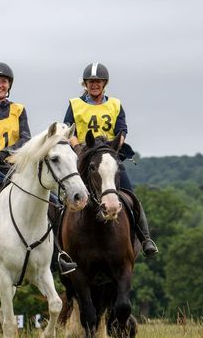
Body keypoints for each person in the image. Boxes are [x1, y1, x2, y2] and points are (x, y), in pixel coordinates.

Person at [0, 63, 77, 275]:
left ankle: (59, 254)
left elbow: (25, 139)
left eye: (4, 81)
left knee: (52, 202)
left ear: (9, 85)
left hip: (14, 169)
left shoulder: (18, 110)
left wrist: (7, 151)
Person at [62, 62, 159, 258]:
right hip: (85, 157)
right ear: (85, 84)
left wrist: (113, 147)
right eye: (91, 82)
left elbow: (122, 130)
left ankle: (145, 237)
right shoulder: (75, 104)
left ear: (104, 83)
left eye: (98, 82)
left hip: (108, 157)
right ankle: (59, 251)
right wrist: (78, 147)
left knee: (130, 195)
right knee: (63, 199)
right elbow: (68, 129)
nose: (94, 85)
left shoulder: (115, 104)